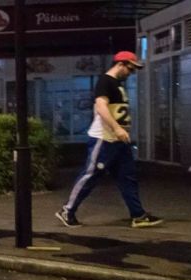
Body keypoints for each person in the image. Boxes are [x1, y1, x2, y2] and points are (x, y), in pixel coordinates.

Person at [55, 51, 163, 228]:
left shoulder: (117, 84)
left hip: (118, 140)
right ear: (121, 64)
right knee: (90, 175)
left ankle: (138, 215)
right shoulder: (105, 81)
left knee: (127, 177)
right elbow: (101, 106)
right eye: (131, 68)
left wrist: (119, 131)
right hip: (104, 139)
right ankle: (67, 210)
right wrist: (116, 128)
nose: (132, 72)